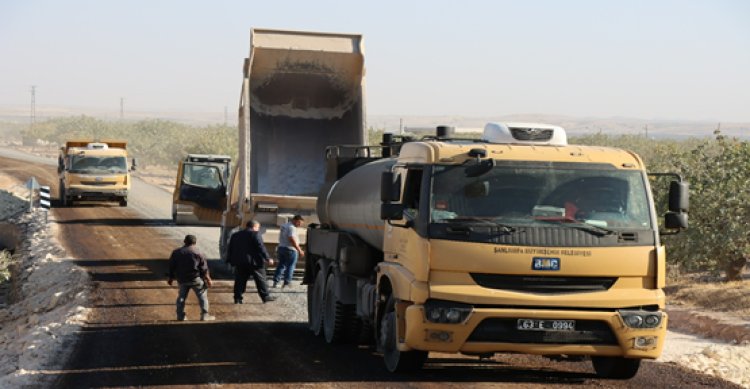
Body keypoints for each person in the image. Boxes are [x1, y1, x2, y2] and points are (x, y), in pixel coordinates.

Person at [227, 220, 276, 303]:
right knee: (261, 280)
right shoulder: (255, 234)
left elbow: (230, 248)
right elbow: (261, 247)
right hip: (255, 263)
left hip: (240, 262)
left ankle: (238, 298)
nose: (258, 229)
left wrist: (230, 260)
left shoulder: (235, 235)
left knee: (240, 280)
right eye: (258, 227)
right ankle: (265, 296)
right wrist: (268, 258)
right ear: (254, 227)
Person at [168, 234, 215, 321]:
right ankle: (204, 315)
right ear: (195, 243)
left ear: (184, 241)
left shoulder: (176, 252)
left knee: (181, 297)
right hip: (195, 279)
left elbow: (172, 266)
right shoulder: (198, 253)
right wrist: (208, 279)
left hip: (182, 279)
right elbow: (204, 268)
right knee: (202, 296)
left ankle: (180, 316)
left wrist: (171, 278)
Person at [273, 214, 305, 288]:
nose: (300, 225)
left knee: (281, 265)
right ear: (294, 220)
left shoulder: (284, 226)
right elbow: (291, 239)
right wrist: (299, 250)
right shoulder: (292, 228)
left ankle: (275, 282)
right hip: (290, 249)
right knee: (290, 266)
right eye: (299, 223)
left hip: (281, 248)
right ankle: (286, 283)